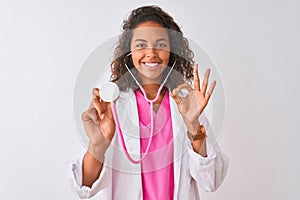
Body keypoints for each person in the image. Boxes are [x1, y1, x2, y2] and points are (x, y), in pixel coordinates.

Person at [68, 5, 228, 200]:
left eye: (161, 44)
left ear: (172, 51)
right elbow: (83, 186)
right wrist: (97, 146)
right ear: (129, 53)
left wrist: (193, 125)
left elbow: (211, 180)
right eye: (141, 45)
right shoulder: (113, 108)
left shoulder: (186, 106)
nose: (151, 53)